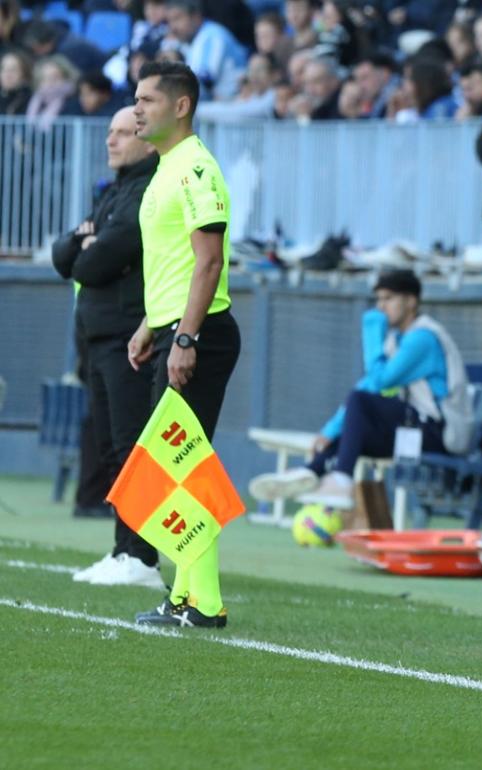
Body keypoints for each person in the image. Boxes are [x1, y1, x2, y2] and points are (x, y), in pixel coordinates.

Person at [127, 60, 241, 628]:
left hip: (200, 333)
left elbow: (209, 261)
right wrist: (153, 325)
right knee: (176, 467)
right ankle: (190, 596)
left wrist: (186, 337)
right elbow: (173, 263)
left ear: (181, 106)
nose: (137, 108)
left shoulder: (197, 168)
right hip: (175, 328)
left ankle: (204, 602)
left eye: (148, 98)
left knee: (181, 468)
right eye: (136, 98)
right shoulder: (166, 168)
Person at [51, 106, 161, 588]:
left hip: (127, 336)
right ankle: (123, 549)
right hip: (98, 337)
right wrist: (82, 241)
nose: (111, 141)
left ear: (148, 140)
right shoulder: (114, 190)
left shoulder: (146, 190)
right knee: (111, 449)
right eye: (110, 132)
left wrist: (86, 249)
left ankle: (142, 555)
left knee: (131, 446)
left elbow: (91, 265)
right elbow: (63, 255)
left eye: (123, 133)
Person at [249, 270, 461, 512]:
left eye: (389, 298)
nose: (381, 307)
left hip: (435, 432)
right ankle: (312, 471)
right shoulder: (398, 340)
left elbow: (379, 381)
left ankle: (340, 479)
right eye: (378, 299)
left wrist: (372, 329)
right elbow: (368, 386)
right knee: (354, 422)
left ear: (411, 301)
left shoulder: (422, 339)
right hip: (410, 430)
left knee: (360, 404)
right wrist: (332, 429)